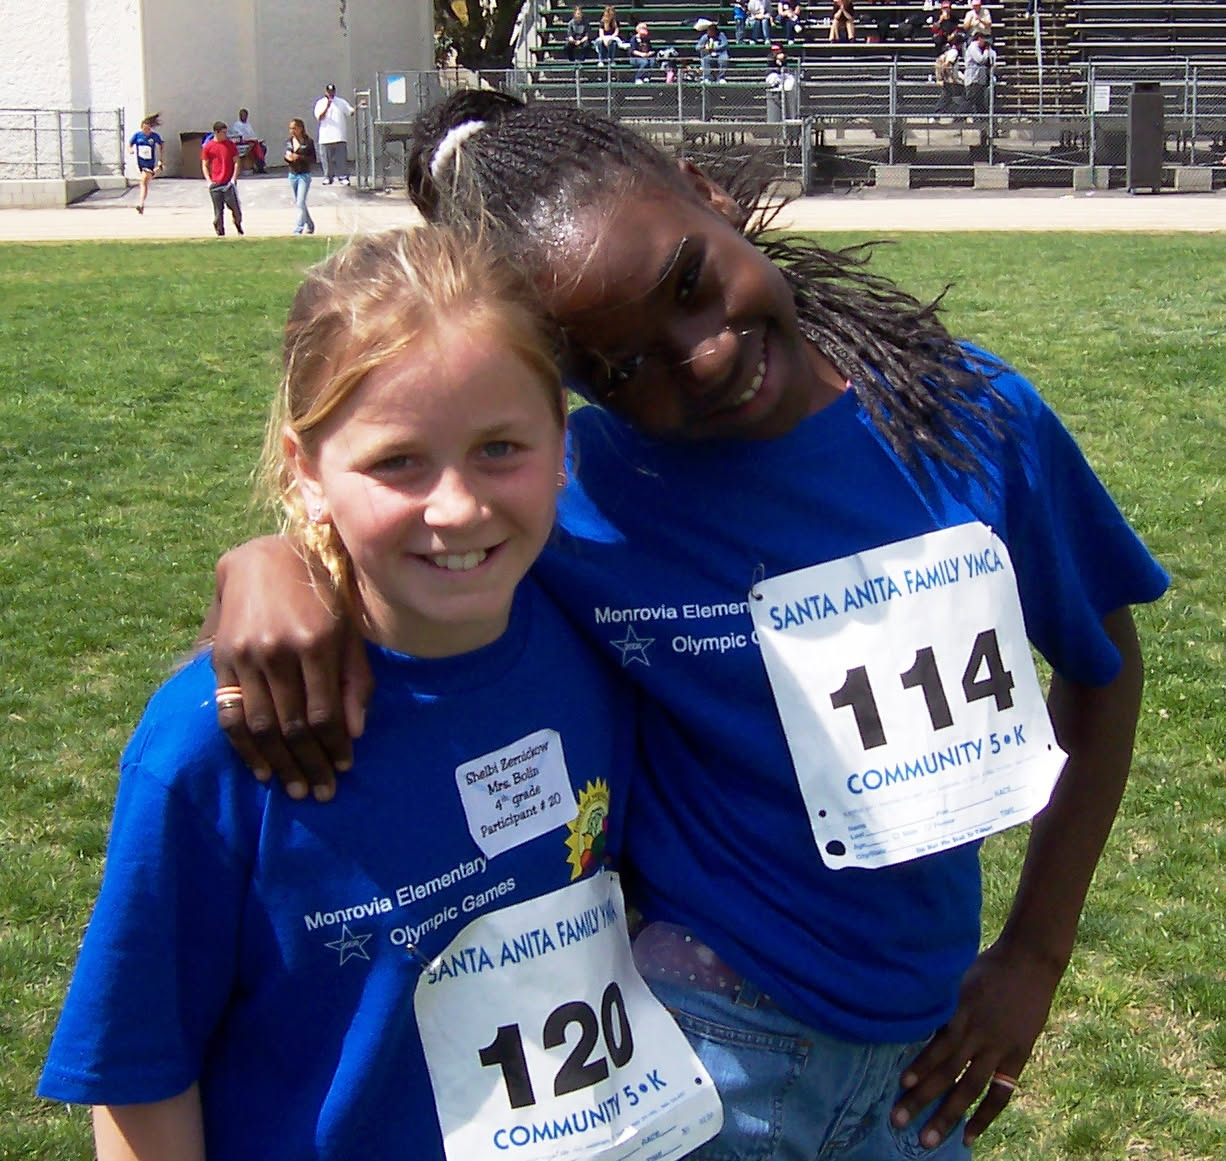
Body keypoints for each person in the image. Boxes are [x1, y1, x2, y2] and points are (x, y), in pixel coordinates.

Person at [211, 91, 1168, 1160]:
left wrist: (1035, 952)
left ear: (707, 196)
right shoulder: (576, 499)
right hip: (702, 1044)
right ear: (565, 384)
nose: (701, 356)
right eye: (621, 370)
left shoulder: (969, 419)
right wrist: (275, 564)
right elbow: (416, 543)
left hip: (920, 1044)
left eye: (688, 282)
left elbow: (1101, 666)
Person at [37, 225, 722, 1161]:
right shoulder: (215, 746)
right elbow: (141, 1075)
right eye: (398, 460)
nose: (458, 506)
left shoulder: (599, 631)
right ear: (305, 471)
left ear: (564, 443)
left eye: (500, 448)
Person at [200, 120, 243, 237]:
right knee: (218, 211)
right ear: (216, 132)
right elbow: (205, 164)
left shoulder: (230, 145)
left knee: (235, 208)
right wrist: (208, 181)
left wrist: (234, 179)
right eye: (223, 132)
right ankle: (220, 232)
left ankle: (238, 224)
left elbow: (236, 162)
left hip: (228, 182)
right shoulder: (208, 147)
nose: (225, 135)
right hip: (215, 183)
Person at [313, 82, 355, 185]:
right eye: (329, 92)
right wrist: (327, 106)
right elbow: (319, 117)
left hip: (339, 135)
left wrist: (358, 106)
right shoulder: (320, 103)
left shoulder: (341, 102)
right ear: (325, 92)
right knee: (326, 159)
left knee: (341, 159)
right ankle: (328, 177)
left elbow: (350, 112)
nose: (331, 94)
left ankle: (343, 176)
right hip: (325, 136)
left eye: (332, 91)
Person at [284, 117, 316, 235]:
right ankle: (310, 224)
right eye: (290, 129)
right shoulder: (289, 141)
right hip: (293, 174)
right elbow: (287, 154)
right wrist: (288, 158)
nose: (292, 131)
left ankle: (299, 228)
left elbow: (313, 159)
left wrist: (299, 157)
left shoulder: (308, 142)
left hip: (304, 175)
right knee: (300, 202)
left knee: (300, 202)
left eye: (294, 128)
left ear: (300, 128)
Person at [127, 113, 163, 216]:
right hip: (140, 163)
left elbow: (161, 145)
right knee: (144, 183)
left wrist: (161, 159)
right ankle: (142, 204)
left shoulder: (154, 136)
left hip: (149, 163)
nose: (146, 131)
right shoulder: (137, 136)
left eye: (148, 129)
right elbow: (130, 144)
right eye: (144, 129)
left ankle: (141, 204)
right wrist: (130, 150)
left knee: (143, 181)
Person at [963, 30, 997, 115]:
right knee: (971, 100)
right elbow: (980, 60)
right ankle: (958, 116)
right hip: (973, 79)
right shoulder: (973, 47)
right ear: (979, 38)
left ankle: (983, 119)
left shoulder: (981, 48)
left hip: (980, 79)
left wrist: (988, 49)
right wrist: (986, 50)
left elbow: (992, 57)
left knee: (980, 102)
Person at [229, 107, 267, 173]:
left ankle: (259, 165)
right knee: (255, 146)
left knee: (263, 148)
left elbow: (252, 134)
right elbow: (241, 136)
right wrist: (251, 139)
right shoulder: (237, 125)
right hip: (242, 143)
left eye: (245, 116)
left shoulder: (248, 124)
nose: (244, 117)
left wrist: (256, 139)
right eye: (243, 116)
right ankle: (260, 165)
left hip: (251, 141)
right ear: (240, 116)